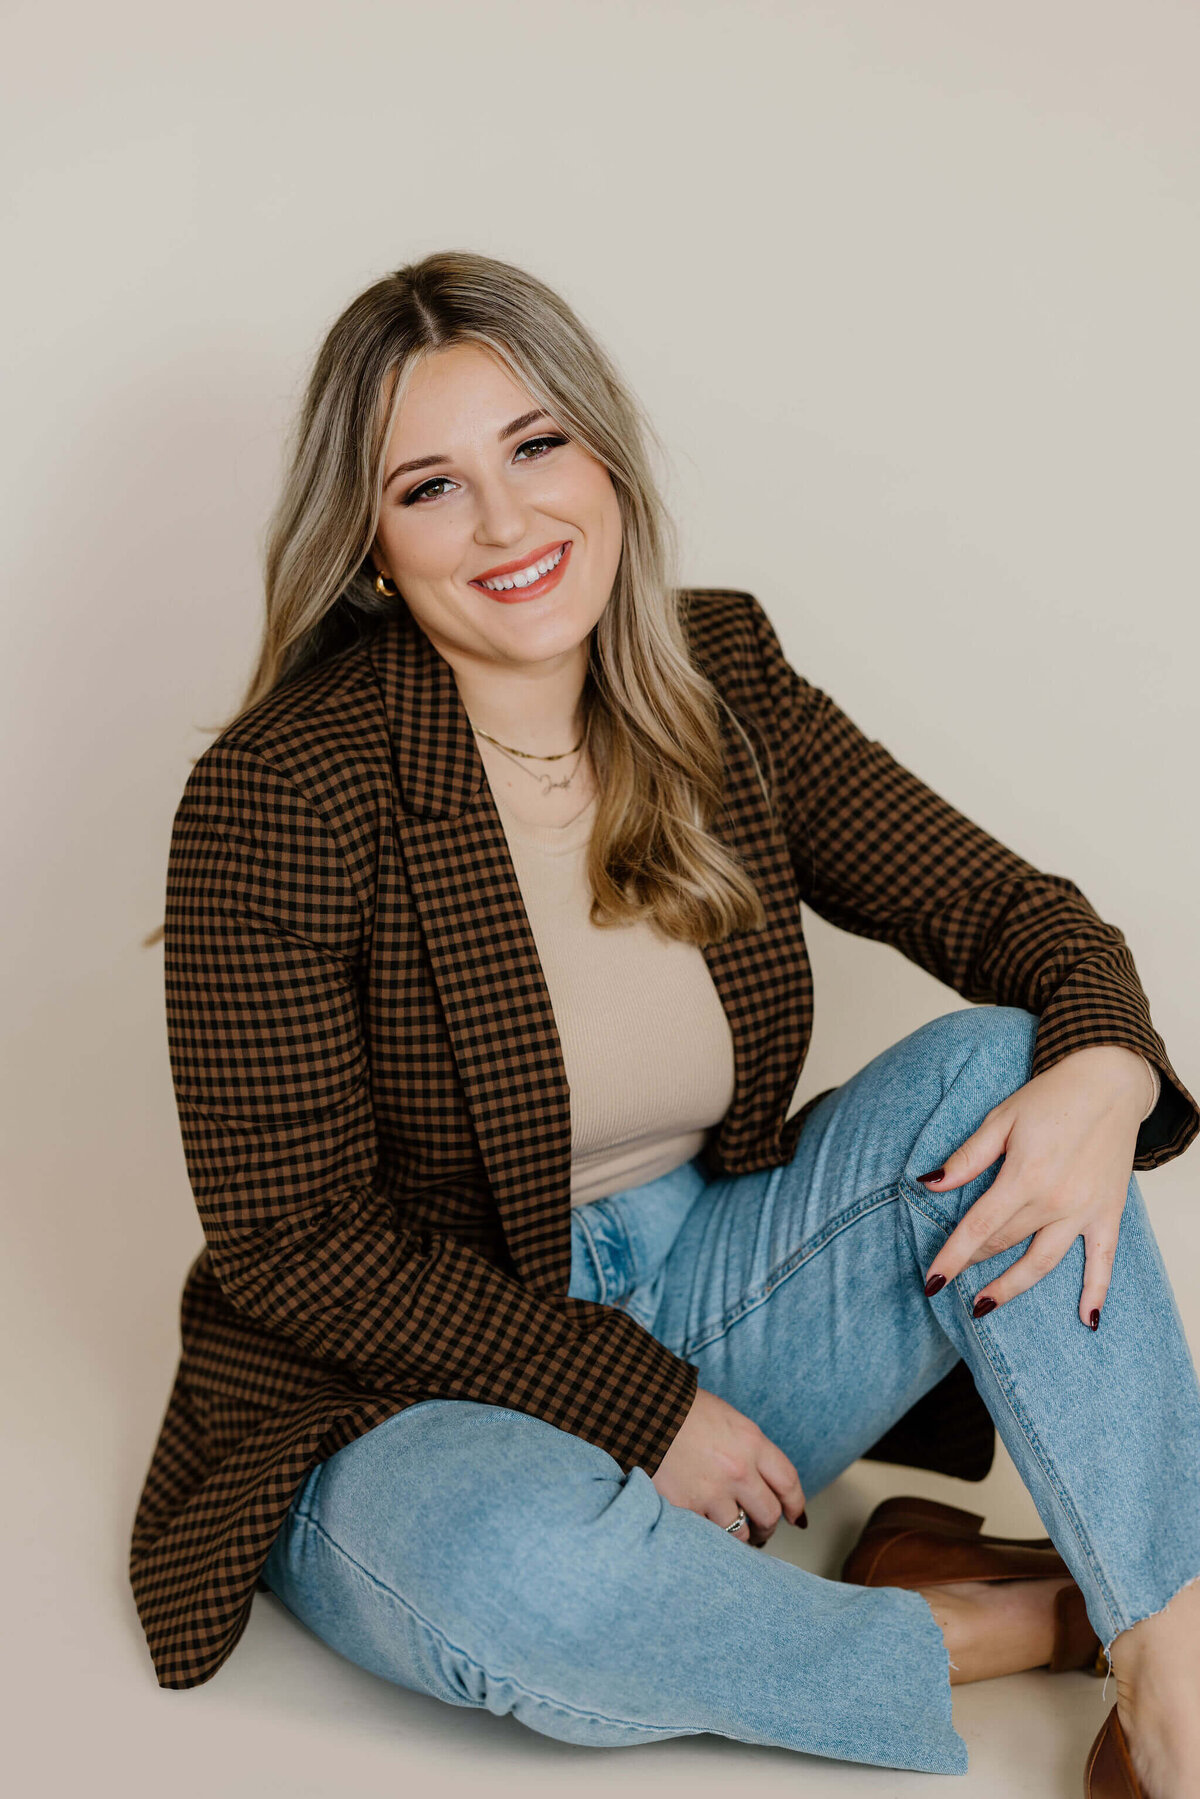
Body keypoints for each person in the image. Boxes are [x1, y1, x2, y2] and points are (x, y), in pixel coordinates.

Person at [129, 251, 1200, 1795]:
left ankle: (1170, 1674)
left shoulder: (721, 676)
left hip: (711, 1289)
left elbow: (1011, 917)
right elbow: (299, 1248)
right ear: (366, 545)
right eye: (430, 487)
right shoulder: (279, 795)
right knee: (529, 1578)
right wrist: (641, 1406)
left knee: (1008, 1066)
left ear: (607, 456)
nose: (507, 522)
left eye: (538, 446)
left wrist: (1103, 1061)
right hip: (404, 1401)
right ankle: (1010, 1618)